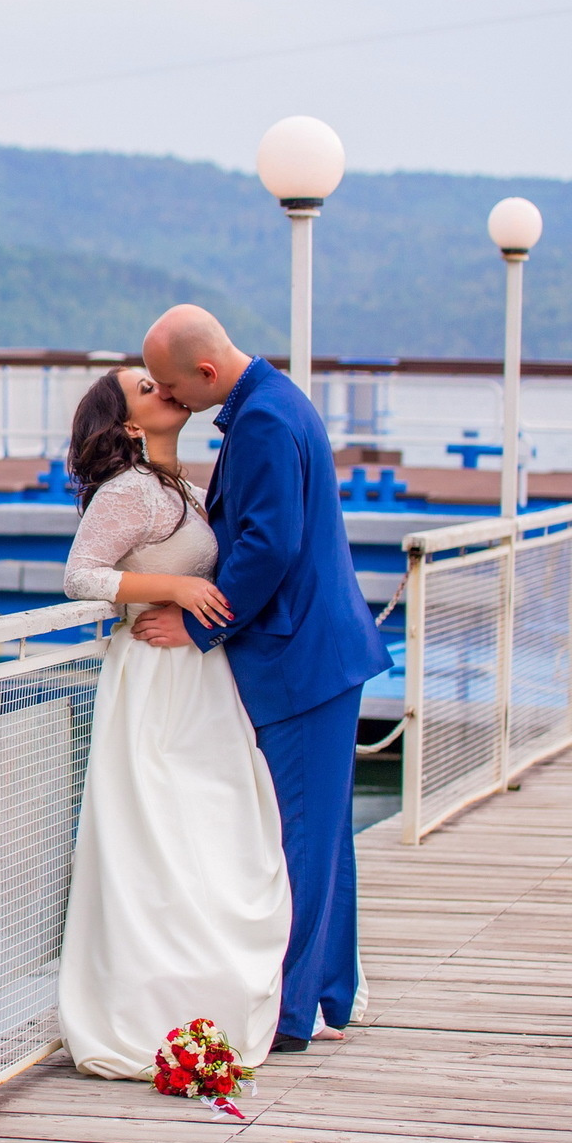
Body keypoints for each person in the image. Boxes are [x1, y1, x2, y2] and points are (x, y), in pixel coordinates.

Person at [135, 305, 393, 1052]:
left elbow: (268, 545)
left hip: (301, 659)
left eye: (175, 386)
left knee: (303, 836)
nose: (171, 398)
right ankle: (327, 993)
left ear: (207, 373)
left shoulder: (265, 423)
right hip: (317, 654)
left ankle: (287, 1013)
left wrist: (197, 622)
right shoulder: (270, 405)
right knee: (324, 832)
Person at [54, 366, 292, 1079]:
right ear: (128, 426)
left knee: (219, 828)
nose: (164, 388)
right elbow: (82, 574)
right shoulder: (129, 491)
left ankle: (212, 989)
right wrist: (179, 587)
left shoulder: (183, 487)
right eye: (146, 389)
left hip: (198, 677)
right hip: (155, 680)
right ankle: (157, 1001)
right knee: (161, 832)